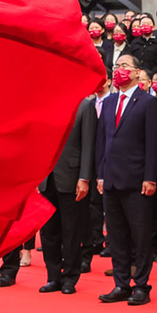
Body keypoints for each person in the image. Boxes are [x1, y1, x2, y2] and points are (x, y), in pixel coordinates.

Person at [97, 54, 157, 306]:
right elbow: (102, 142)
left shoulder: (148, 103)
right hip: (111, 179)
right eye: (117, 67)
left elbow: (154, 144)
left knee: (141, 235)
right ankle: (121, 283)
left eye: (125, 66)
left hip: (138, 181)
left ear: (138, 73)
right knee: (116, 235)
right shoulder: (109, 101)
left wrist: (150, 177)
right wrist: (100, 174)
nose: (120, 71)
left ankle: (142, 285)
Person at [36, 80, 96, 296]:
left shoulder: (85, 105)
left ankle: (70, 276)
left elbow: (89, 144)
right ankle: (53, 276)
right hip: (46, 177)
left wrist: (85, 177)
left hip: (72, 176)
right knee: (49, 231)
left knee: (71, 230)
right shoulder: (45, 104)